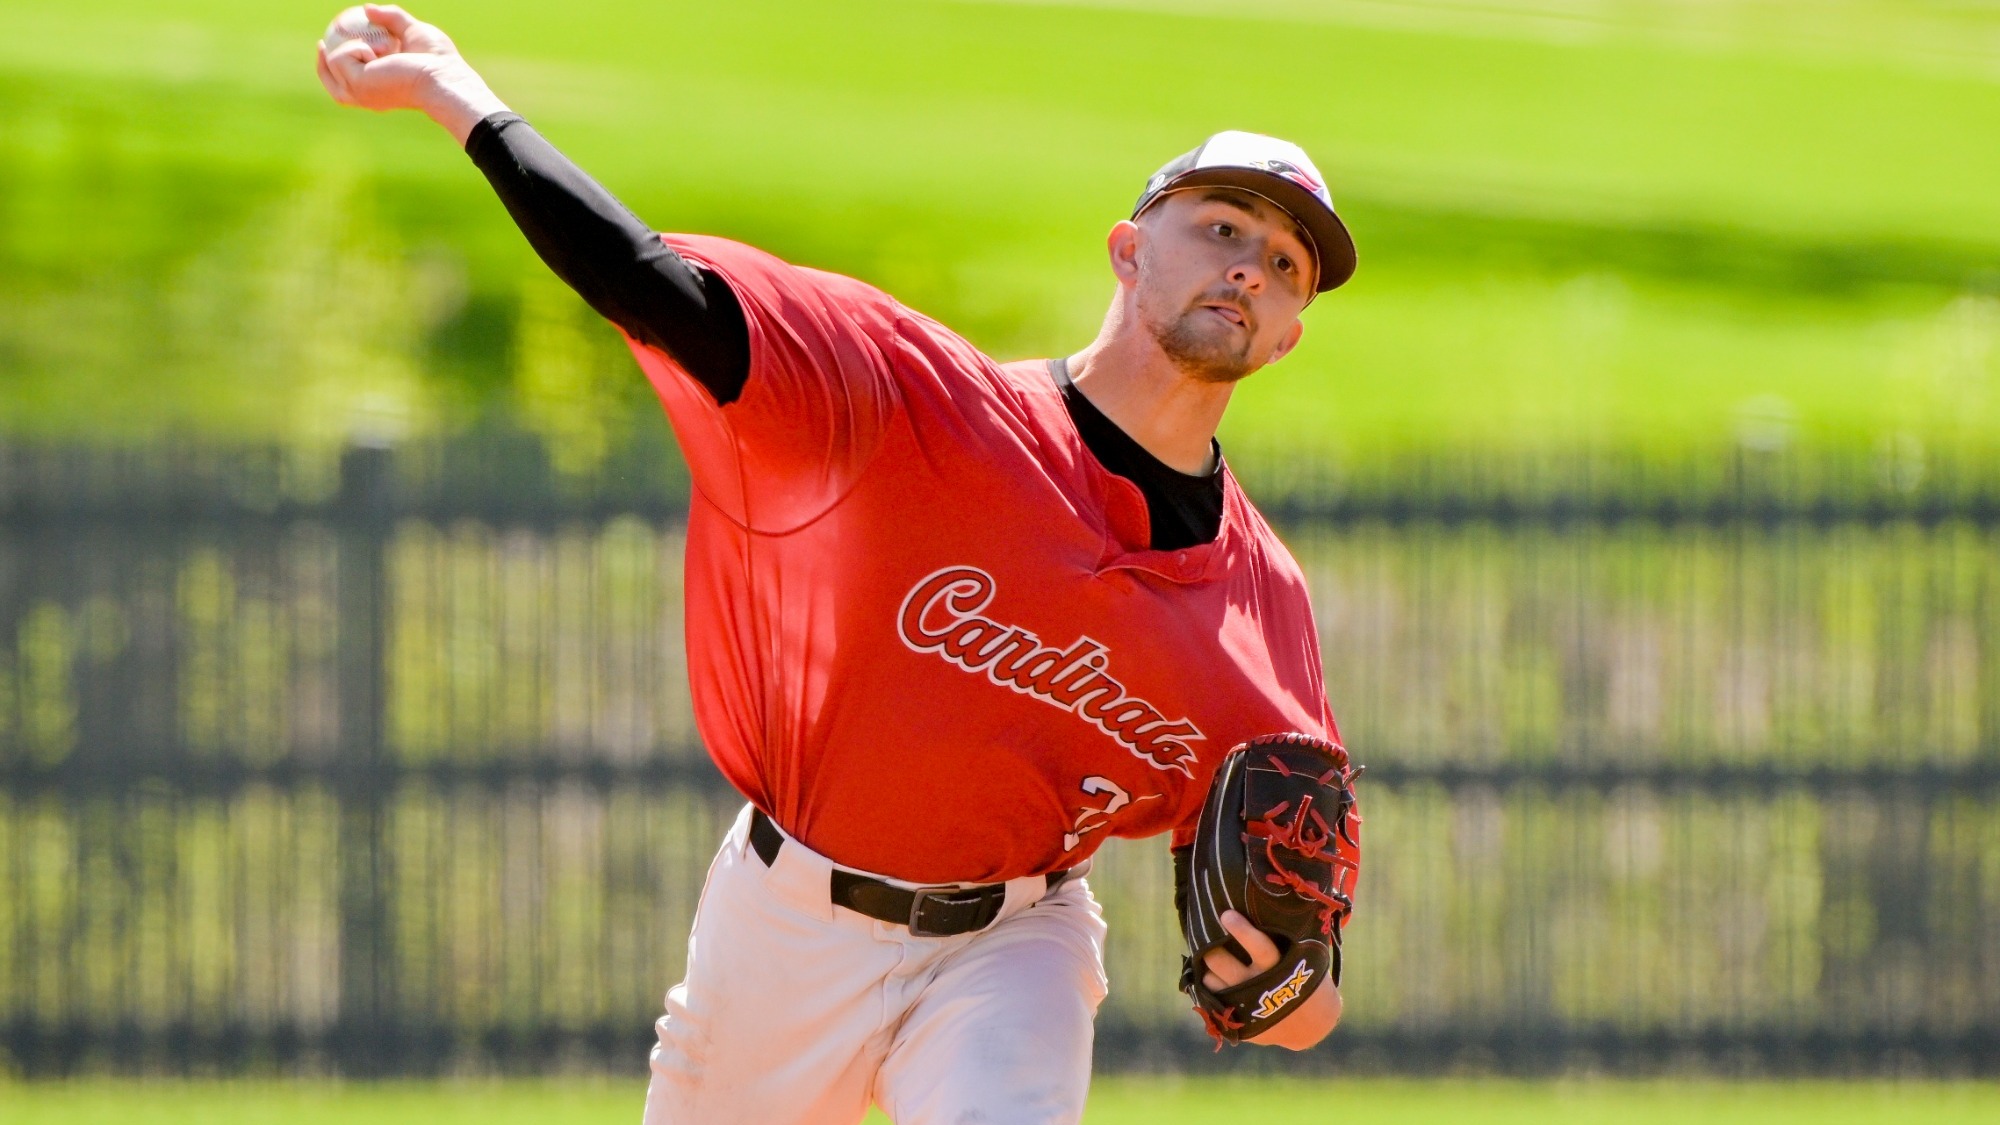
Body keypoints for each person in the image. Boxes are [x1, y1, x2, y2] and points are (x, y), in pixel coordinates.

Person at [317, 7, 1357, 1122]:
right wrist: (457, 97)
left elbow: (1308, 981)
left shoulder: (1259, 603)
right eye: (1222, 227)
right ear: (1128, 246)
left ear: (1290, 331)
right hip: (785, 925)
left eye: (1284, 263)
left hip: (1013, 947)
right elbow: (651, 282)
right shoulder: (922, 407)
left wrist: (1286, 988)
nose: (1249, 268)